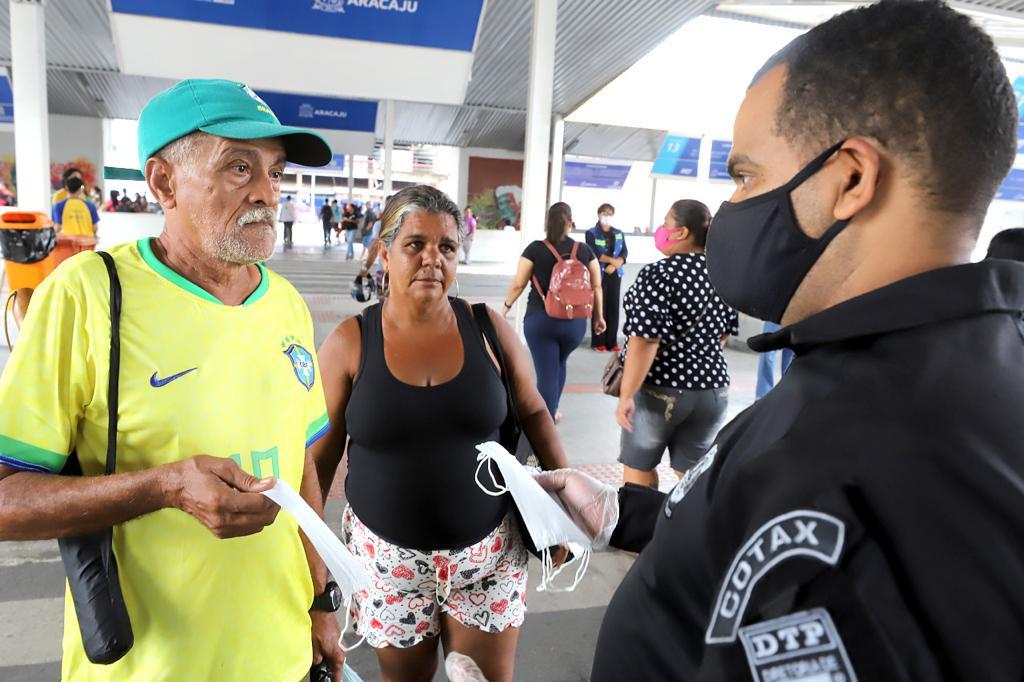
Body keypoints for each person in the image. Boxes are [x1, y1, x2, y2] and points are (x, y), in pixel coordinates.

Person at [535, 2, 1024, 679]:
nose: (732, 207)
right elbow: (751, 519)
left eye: (746, 176)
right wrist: (626, 516)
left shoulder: (865, 457)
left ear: (849, 178)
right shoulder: (892, 365)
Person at [0, 78, 345, 680]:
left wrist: (320, 603)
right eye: (240, 167)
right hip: (147, 666)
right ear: (164, 183)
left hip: (281, 655)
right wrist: (162, 488)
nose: (268, 192)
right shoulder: (88, 295)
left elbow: (301, 467)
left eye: (277, 171)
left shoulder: (285, 304)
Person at [310, 185, 570, 682]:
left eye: (446, 247)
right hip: (389, 571)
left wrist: (563, 507)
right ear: (385, 253)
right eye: (415, 245)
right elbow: (317, 464)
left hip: (488, 559)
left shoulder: (487, 328)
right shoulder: (350, 341)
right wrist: (312, 574)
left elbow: (535, 411)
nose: (433, 259)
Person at [615, 200, 738, 487]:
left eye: (666, 224)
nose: (661, 230)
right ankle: (698, 528)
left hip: (662, 391)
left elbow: (645, 340)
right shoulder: (720, 276)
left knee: (638, 470)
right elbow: (723, 335)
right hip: (713, 392)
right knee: (694, 476)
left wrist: (627, 394)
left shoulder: (658, 274)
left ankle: (641, 531)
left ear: (681, 232)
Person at [502, 202, 606, 420]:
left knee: (546, 373)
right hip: (575, 322)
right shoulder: (585, 250)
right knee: (559, 363)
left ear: (547, 223)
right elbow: (596, 285)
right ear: (570, 223)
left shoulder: (535, 249)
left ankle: (544, 423)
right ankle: (553, 410)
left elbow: (518, 284)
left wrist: (505, 308)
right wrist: (599, 316)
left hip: (541, 321)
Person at [585, 203, 628, 351]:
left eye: (610, 213)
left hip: (615, 274)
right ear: (598, 214)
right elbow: (594, 253)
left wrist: (616, 264)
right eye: (604, 213)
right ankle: (598, 342)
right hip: (599, 273)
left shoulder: (618, 233)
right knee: (599, 306)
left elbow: (624, 253)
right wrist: (612, 262)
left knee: (613, 307)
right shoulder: (591, 233)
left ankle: (612, 342)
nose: (606, 216)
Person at [754, 320, 793, 398]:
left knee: (790, 357)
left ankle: (788, 394)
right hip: (775, 314)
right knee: (767, 353)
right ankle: (763, 395)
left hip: (795, 314)